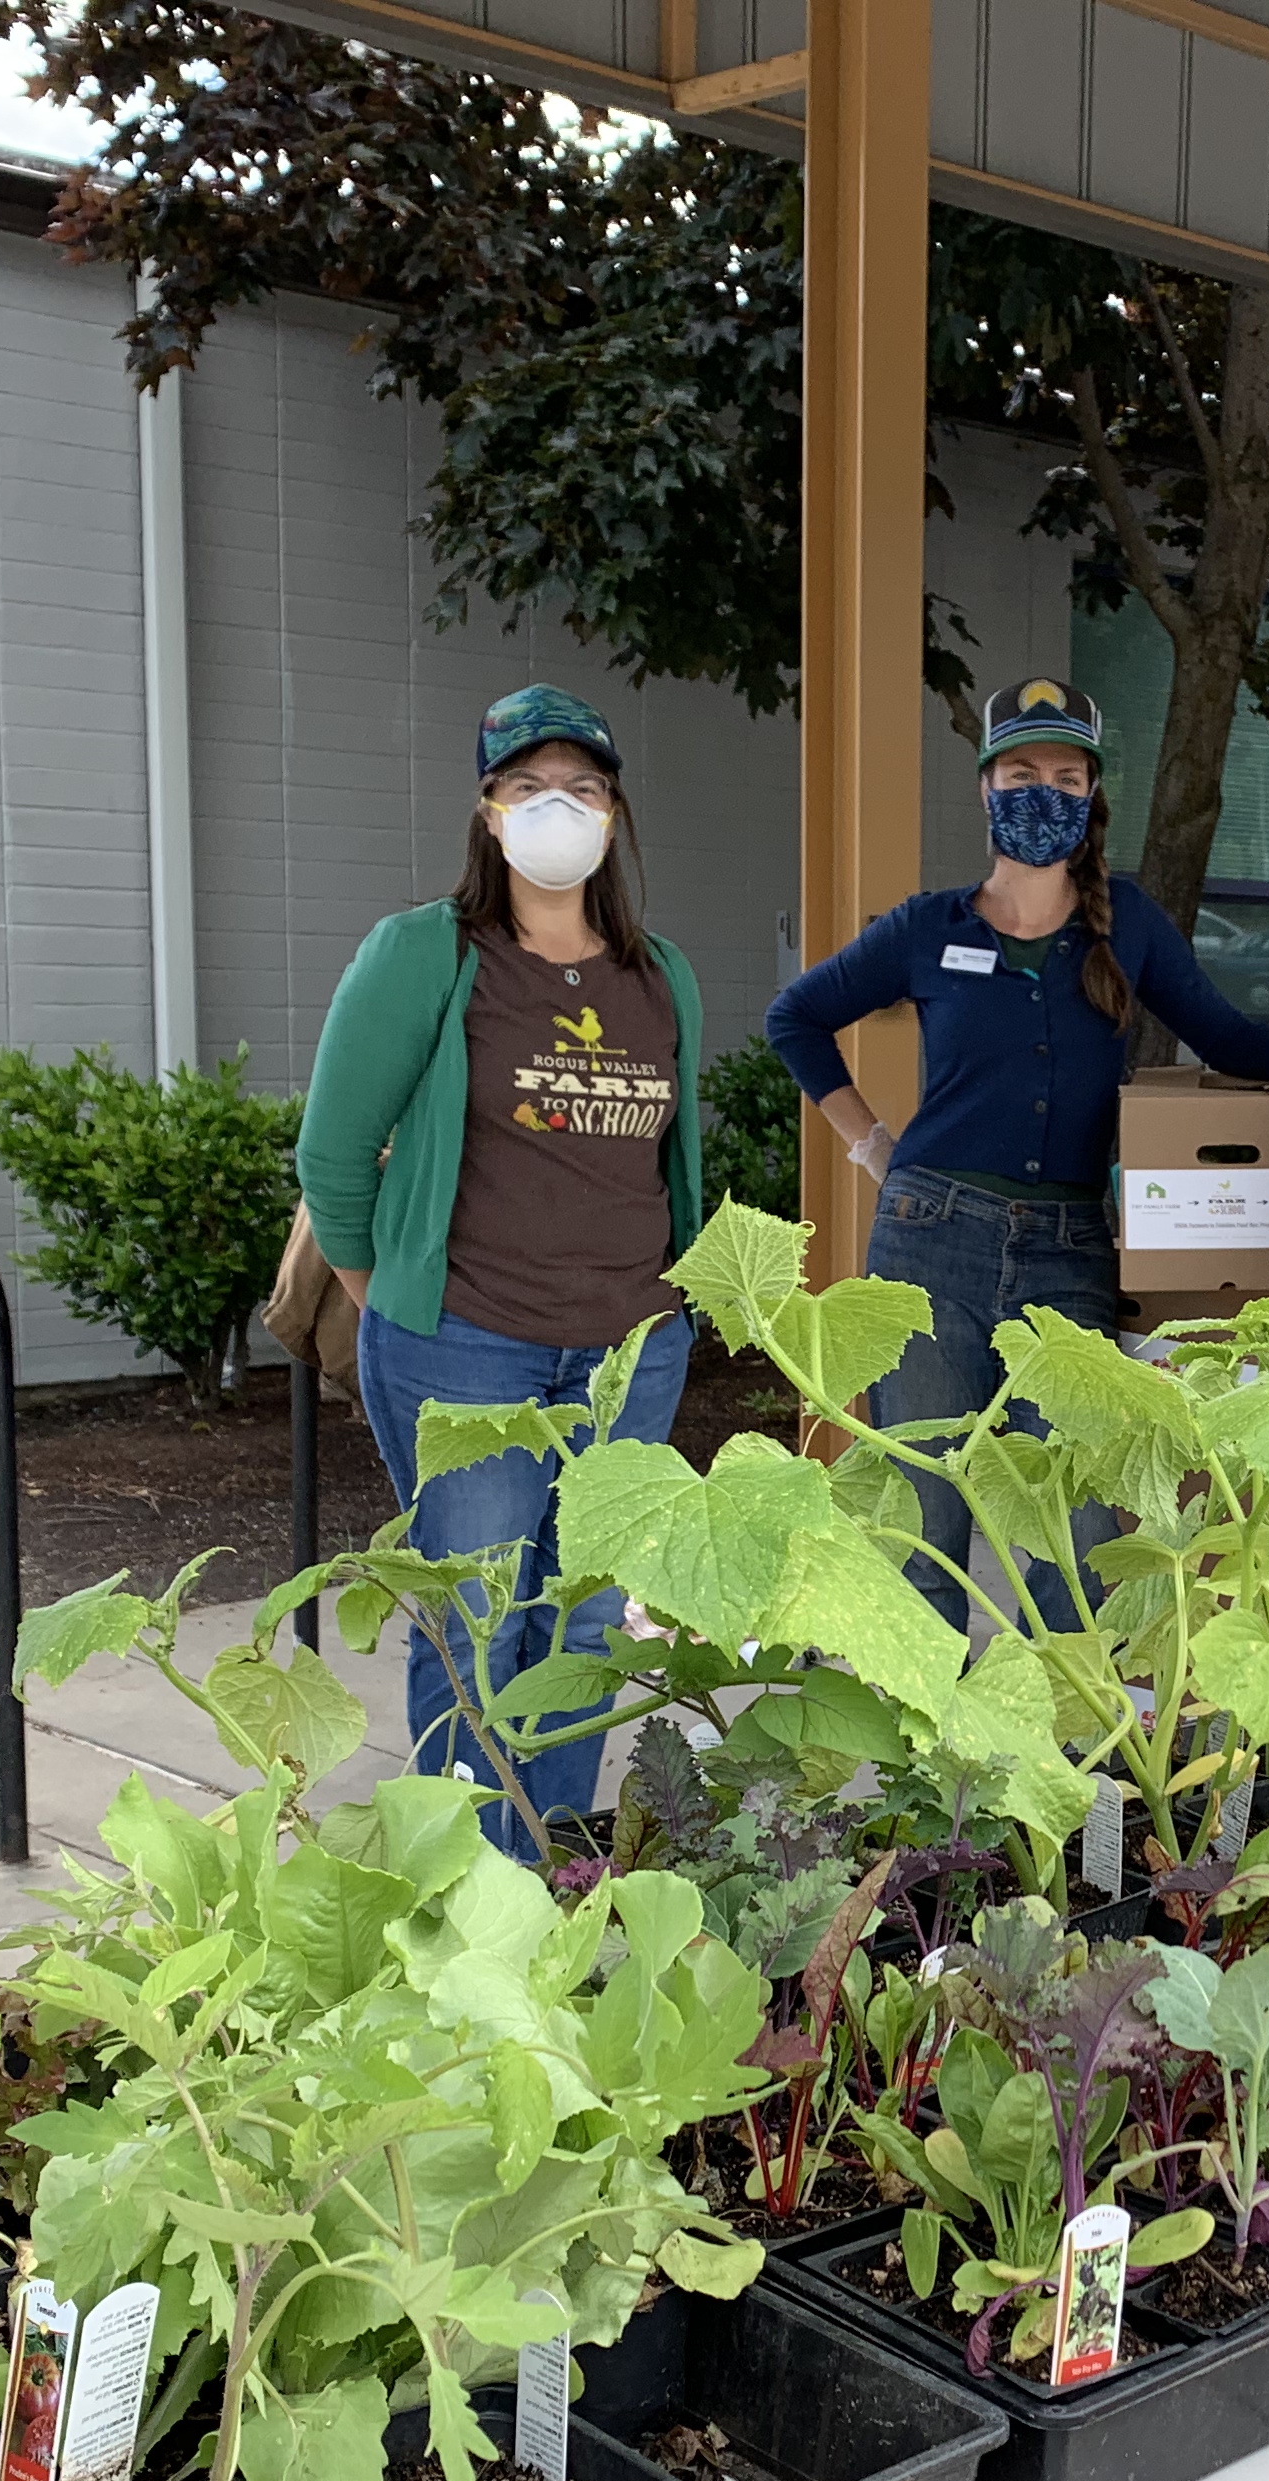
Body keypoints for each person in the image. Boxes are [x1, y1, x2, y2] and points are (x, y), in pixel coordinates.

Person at [767, 676, 1269, 1628]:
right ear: (987, 787)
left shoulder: (1126, 924)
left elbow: (1220, 1032)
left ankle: (1066, 1757)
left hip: (1072, 1248)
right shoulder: (929, 928)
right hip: (929, 1241)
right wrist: (870, 1144)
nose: (1044, 790)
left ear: (1091, 797)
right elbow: (795, 1017)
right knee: (927, 1513)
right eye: (1022, 770)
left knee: (1075, 1528)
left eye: (1067, 774)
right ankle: (931, 1759)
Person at [295, 684, 710, 1847]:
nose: (555, 809)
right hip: (466, 1350)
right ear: (488, 813)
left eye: (579, 789)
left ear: (614, 817)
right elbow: (333, 1157)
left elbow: (667, 1166)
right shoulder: (425, 955)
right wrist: (394, 1304)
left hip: (630, 1356)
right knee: (477, 1622)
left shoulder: (657, 973)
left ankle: (553, 1882)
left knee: (579, 1631)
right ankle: (469, 1899)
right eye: (528, 788)